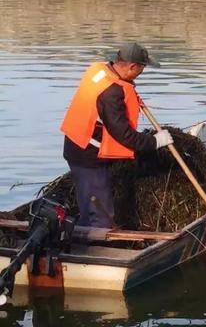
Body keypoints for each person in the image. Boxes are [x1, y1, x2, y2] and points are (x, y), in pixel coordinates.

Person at [60, 43, 174, 228]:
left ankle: (83, 235)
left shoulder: (101, 71)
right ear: (132, 67)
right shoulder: (111, 92)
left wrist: (128, 87)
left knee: (90, 205)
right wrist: (154, 141)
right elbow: (123, 134)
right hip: (88, 156)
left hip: (76, 145)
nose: (141, 73)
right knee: (101, 216)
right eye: (142, 68)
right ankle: (94, 251)